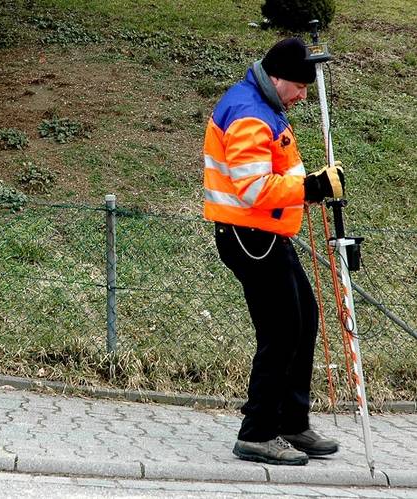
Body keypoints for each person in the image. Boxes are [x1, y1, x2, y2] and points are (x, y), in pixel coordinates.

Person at [202, 38, 345, 466]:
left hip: (265, 234)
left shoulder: (265, 105)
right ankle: (258, 432)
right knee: (282, 330)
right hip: (250, 237)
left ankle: (291, 421)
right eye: (300, 86)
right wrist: (313, 188)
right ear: (278, 77)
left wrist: (311, 183)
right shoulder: (249, 115)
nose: (304, 94)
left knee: (304, 319)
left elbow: (275, 172)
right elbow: (253, 189)